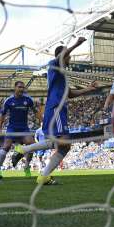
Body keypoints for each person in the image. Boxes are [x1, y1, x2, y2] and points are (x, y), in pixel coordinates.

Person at [14, 38, 98, 185]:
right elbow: (60, 57)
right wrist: (76, 44)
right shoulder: (53, 65)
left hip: (59, 109)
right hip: (56, 108)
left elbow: (70, 94)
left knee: (64, 146)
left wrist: (89, 89)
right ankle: (24, 150)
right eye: (68, 56)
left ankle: (43, 175)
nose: (70, 58)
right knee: (63, 142)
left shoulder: (62, 75)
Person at [0, 81, 38, 180]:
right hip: (12, 128)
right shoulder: (9, 100)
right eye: (19, 87)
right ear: (15, 88)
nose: (21, 89)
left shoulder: (28, 100)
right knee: (6, 146)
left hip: (24, 128)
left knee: (32, 145)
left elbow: (36, 112)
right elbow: (2, 114)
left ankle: (26, 166)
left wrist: (42, 123)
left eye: (23, 87)